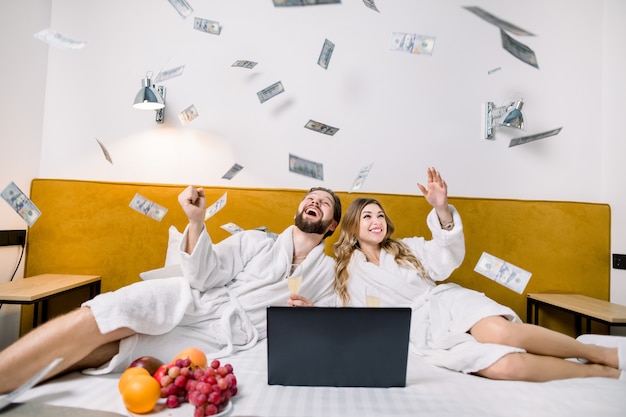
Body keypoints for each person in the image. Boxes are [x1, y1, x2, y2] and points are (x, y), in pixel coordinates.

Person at [0, 185, 342, 394]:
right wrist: (196, 221)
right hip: (195, 300)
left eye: (323, 202)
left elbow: (335, 326)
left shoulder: (327, 272)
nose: (314, 202)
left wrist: (311, 318)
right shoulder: (255, 241)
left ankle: (16, 380)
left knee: (123, 350)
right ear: (299, 209)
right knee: (110, 312)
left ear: (333, 225)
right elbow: (205, 275)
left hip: (220, 338)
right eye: (310, 198)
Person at [333, 167, 625, 382]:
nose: (376, 221)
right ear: (351, 226)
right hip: (425, 333)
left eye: (380, 215)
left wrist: (442, 209)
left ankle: (600, 353)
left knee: (502, 333)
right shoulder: (346, 272)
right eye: (367, 216)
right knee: (508, 367)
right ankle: (594, 371)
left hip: (448, 303)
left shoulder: (406, 248)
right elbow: (344, 316)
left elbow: (447, 258)